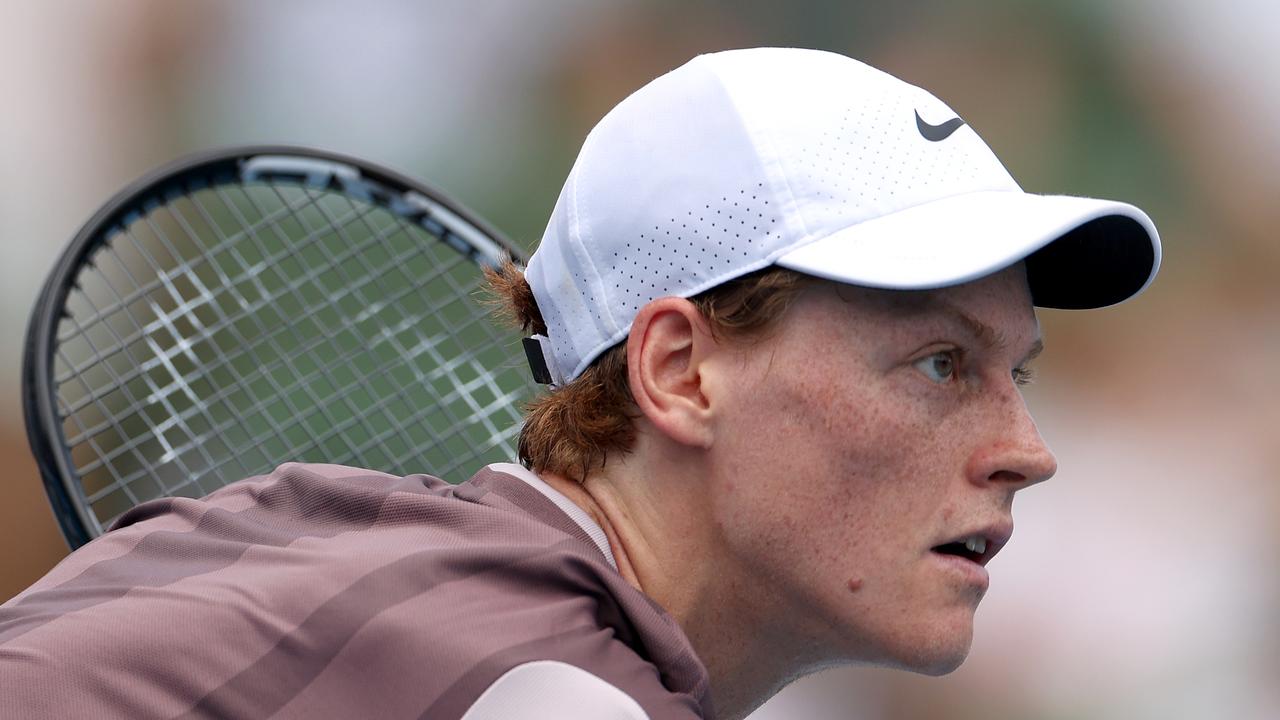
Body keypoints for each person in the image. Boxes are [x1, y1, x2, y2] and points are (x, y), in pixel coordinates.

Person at [0, 48, 1159, 719]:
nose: (1025, 446)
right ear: (679, 371)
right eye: (938, 364)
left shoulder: (282, 523)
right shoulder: (546, 691)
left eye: (1014, 370)